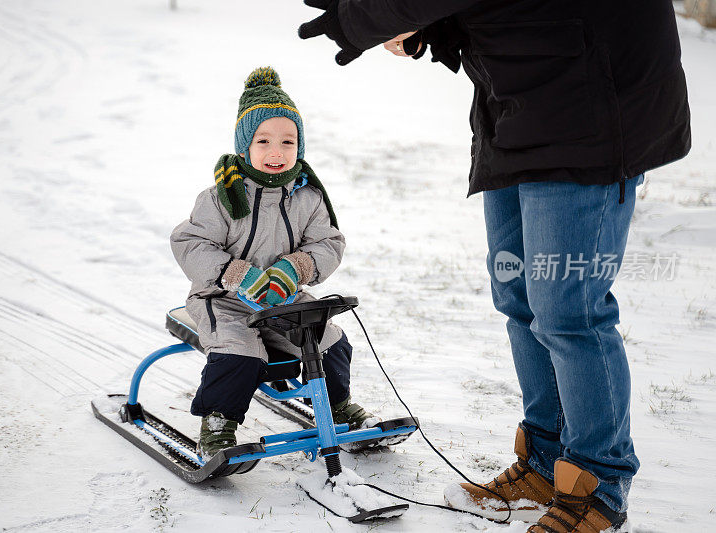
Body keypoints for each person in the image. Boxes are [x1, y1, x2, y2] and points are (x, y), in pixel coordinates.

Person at [297, 1, 691, 532]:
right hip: (520, 104)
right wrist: (431, 27)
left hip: (590, 105)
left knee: (568, 311)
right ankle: (546, 465)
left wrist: (367, 15)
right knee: (519, 296)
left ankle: (598, 484)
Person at [169, 66, 378, 459]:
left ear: (299, 146)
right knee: (240, 352)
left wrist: (295, 268)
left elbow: (328, 243)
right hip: (221, 298)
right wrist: (235, 274)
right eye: (263, 141)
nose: (276, 152)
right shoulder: (220, 197)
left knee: (330, 340)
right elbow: (189, 242)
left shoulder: (307, 197)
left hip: (280, 296)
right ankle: (217, 421)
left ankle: (336, 405)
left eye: (287, 141)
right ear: (245, 146)